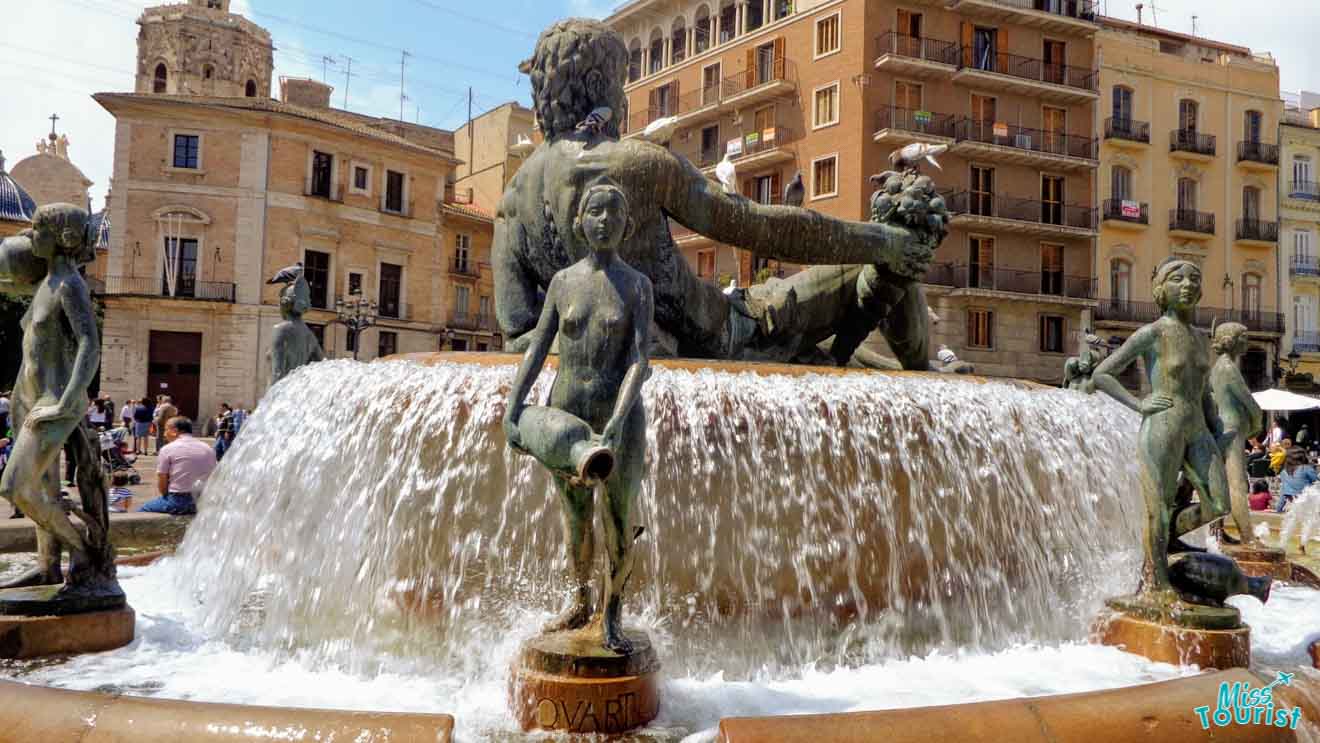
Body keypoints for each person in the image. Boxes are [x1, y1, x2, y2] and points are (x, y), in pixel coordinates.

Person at [504, 180, 654, 653]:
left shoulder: (637, 286)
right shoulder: (563, 283)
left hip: (620, 416)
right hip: (566, 411)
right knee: (574, 520)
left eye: (614, 212)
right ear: (580, 222)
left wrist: (618, 416)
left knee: (617, 517)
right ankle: (580, 599)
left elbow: (640, 360)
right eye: (596, 211)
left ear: (626, 225)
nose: (605, 220)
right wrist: (515, 407)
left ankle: (613, 613)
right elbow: (537, 348)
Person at [1087, 258, 1230, 599]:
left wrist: (1217, 428)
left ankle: (1167, 540)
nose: (1188, 284)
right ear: (1161, 290)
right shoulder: (1152, 333)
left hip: (1197, 426)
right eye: (1177, 279)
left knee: (1219, 504)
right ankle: (1156, 579)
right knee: (1158, 508)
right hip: (1162, 424)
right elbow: (1102, 374)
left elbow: (1205, 389)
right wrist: (1139, 404)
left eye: (1194, 278)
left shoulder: (1200, 338)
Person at [141, 416, 214, 516]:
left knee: (142, 510)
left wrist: (167, 497)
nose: (164, 434)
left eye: (166, 429)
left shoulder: (167, 449)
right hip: (203, 500)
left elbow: (162, 481)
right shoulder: (208, 448)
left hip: (179, 500)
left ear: (174, 431)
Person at [1277, 446, 1318, 513]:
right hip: (1306, 502)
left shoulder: (1284, 472)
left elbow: (1283, 493)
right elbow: (1317, 482)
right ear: (1303, 457)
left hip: (1292, 505)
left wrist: (1279, 509)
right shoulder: (1306, 468)